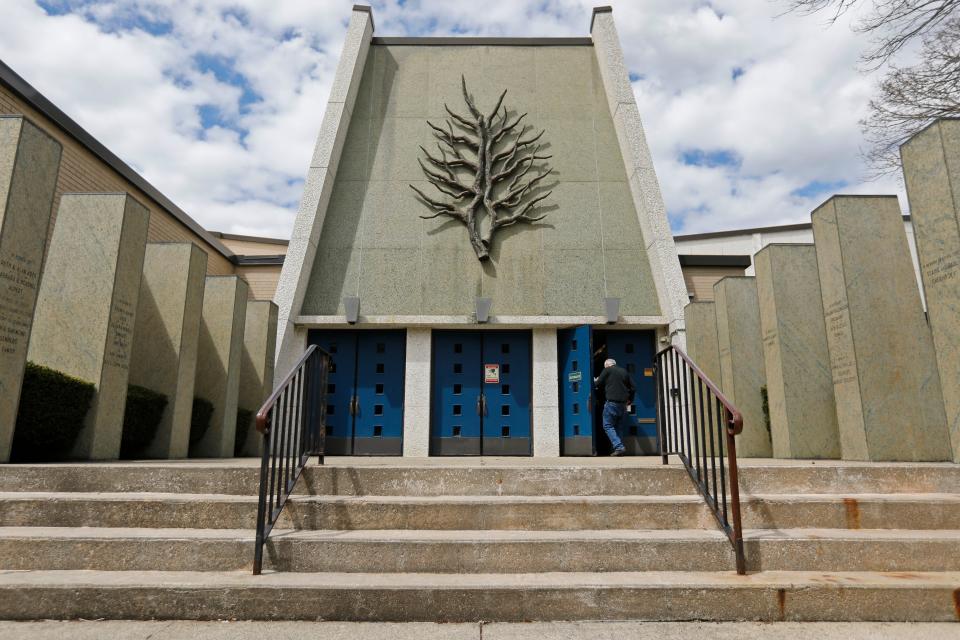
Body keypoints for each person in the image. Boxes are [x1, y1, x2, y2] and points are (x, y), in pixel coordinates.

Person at [594, 358, 635, 456]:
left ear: (607, 365)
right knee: (618, 427)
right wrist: (630, 400)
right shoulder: (624, 371)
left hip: (611, 403)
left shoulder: (607, 370)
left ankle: (619, 447)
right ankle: (619, 450)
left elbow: (598, 383)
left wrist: (595, 380)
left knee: (607, 425)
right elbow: (633, 387)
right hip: (623, 404)